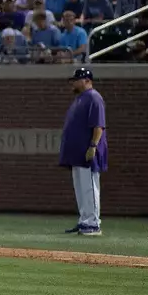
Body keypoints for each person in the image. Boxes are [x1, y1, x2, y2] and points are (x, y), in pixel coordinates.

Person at [60, 68, 107, 236]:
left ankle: (93, 224)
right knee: (81, 188)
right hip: (77, 153)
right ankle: (84, 221)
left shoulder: (94, 97)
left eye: (76, 79)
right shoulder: (80, 98)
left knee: (89, 187)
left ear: (87, 80)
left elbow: (98, 125)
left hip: (88, 151)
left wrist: (93, 146)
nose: (73, 83)